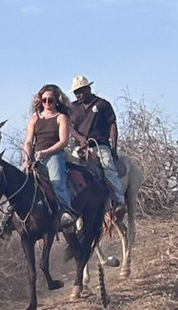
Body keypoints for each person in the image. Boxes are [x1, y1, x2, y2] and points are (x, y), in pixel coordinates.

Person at [22, 84, 76, 230]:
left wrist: (45, 152)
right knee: (20, 181)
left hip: (54, 155)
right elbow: (28, 141)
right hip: (36, 156)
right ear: (40, 101)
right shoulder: (34, 119)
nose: (47, 103)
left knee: (56, 181)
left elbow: (63, 141)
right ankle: (6, 219)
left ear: (56, 101)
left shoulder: (61, 118)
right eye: (44, 100)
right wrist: (27, 157)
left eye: (50, 100)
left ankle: (66, 212)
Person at [68, 75, 125, 212]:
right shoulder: (72, 107)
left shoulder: (102, 104)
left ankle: (119, 202)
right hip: (78, 147)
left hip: (99, 145)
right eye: (76, 92)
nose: (78, 94)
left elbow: (112, 125)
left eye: (80, 90)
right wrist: (80, 138)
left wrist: (114, 147)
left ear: (88, 88)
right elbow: (69, 127)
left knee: (108, 168)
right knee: (68, 169)